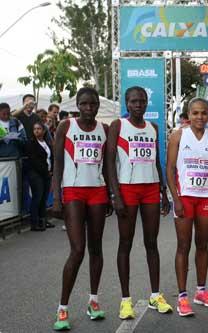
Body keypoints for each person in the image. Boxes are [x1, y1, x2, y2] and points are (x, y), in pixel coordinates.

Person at [106, 86, 171, 320]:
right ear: (126, 103)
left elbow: (155, 161)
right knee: (125, 244)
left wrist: (164, 191)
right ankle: (125, 300)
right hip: (127, 190)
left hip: (151, 189)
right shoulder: (118, 126)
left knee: (151, 243)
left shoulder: (153, 128)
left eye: (142, 101)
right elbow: (110, 161)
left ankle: (155, 294)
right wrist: (115, 194)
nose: (138, 105)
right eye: (134, 101)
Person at [52, 87, 109, 331]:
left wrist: (111, 195)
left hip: (97, 191)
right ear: (77, 105)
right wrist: (56, 198)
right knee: (78, 250)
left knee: (96, 249)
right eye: (84, 104)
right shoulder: (66, 126)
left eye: (93, 104)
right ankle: (62, 308)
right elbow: (57, 162)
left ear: (97, 106)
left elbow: (107, 165)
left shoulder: (104, 130)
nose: (89, 108)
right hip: (73, 192)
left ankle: (93, 302)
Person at [166, 97, 208, 316]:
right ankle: (182, 296)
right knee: (183, 245)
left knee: (203, 244)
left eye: (204, 113)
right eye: (196, 113)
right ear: (188, 115)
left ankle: (201, 291)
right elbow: (170, 168)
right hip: (185, 197)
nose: (200, 117)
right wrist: (176, 199)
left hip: (205, 198)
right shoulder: (179, 135)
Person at [25, 121, 53, 231]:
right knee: (37, 197)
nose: (37, 131)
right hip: (36, 174)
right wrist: (46, 172)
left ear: (44, 130)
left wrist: (51, 171)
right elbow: (34, 161)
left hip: (47, 173)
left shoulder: (46, 143)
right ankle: (34, 223)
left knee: (44, 198)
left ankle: (43, 220)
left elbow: (50, 158)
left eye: (39, 129)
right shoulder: (31, 143)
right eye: (35, 129)